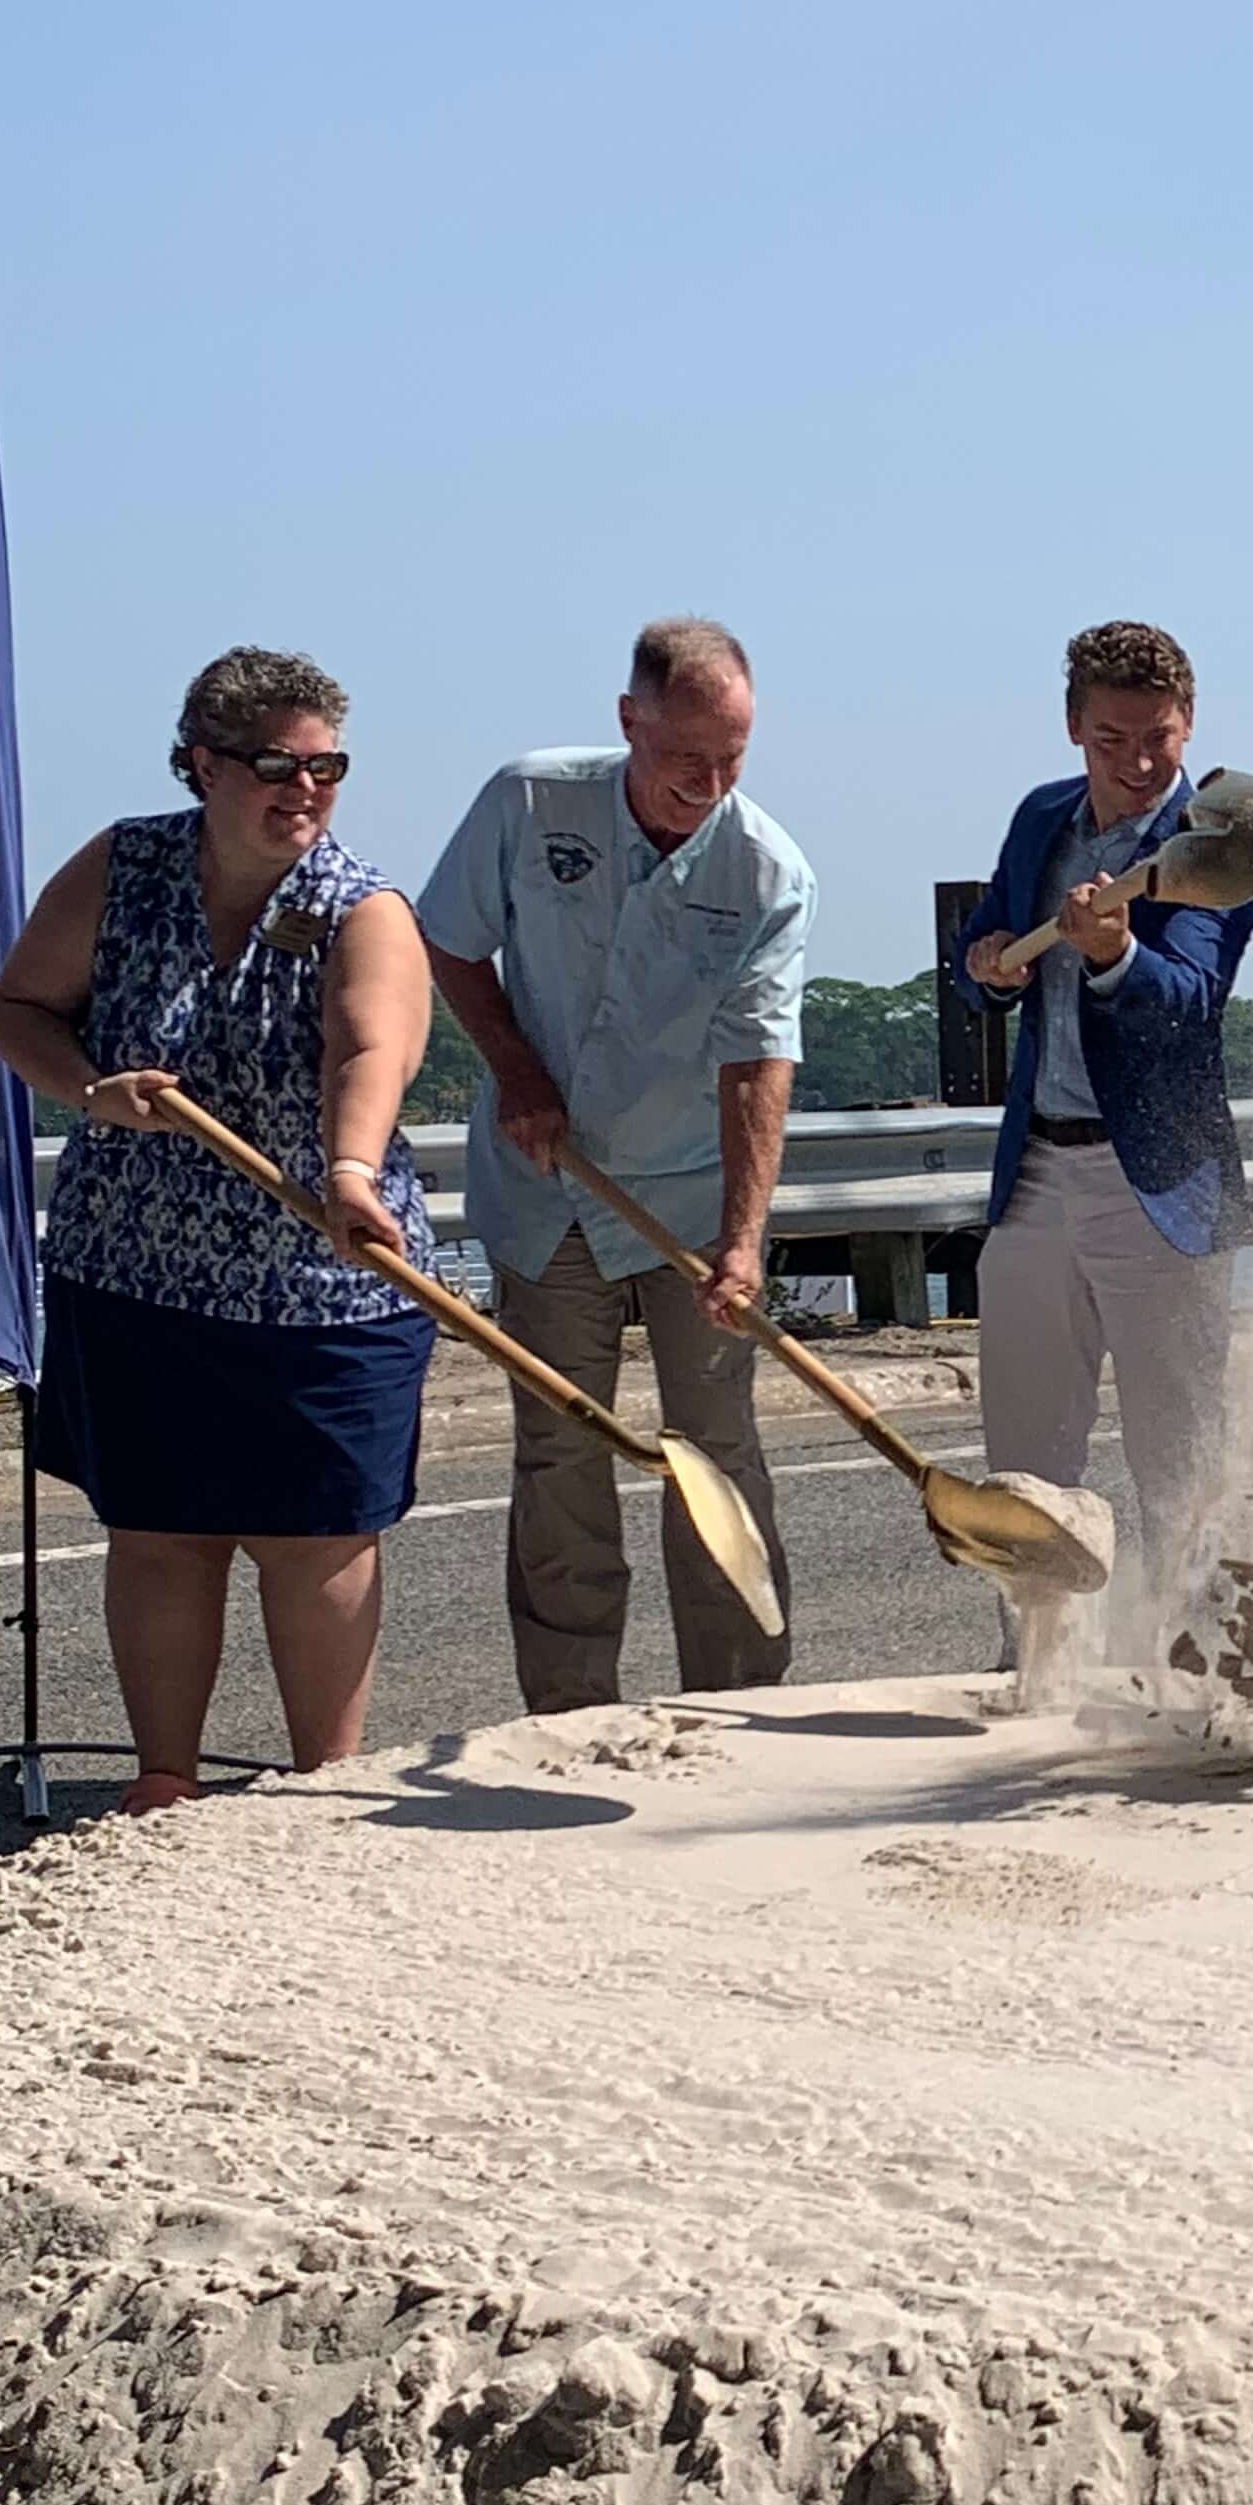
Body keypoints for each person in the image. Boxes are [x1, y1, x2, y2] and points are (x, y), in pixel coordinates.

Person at [0, 646, 439, 1811]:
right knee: (161, 1531)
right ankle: (163, 1778)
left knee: (317, 1535)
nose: (306, 789)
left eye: (327, 766)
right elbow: (19, 1009)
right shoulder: (123, 865)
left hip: (324, 1275)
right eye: (276, 765)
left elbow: (369, 1044)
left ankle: (321, 1784)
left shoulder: (361, 904)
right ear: (201, 762)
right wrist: (91, 1091)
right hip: (134, 1267)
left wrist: (347, 1168)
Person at [418, 618, 813, 1712]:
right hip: (550, 1190)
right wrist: (515, 1071)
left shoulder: (768, 868)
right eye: (689, 756)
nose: (710, 781)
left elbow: (757, 1060)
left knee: (714, 1451)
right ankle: (568, 1709)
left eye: (733, 757)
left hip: (689, 1197)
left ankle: (737, 1705)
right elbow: (447, 936)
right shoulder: (527, 801)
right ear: (629, 720)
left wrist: (741, 1239)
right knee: (560, 1453)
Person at [954, 621, 1253, 1609]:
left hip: (1159, 1183)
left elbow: (1192, 996)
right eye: (1110, 739)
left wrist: (1115, 956)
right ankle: (1035, 1668)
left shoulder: (1218, 841)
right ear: (1073, 727)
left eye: (1158, 738)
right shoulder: (1039, 817)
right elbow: (987, 944)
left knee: (1184, 1462)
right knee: (1027, 1465)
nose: (1136, 761)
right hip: (1039, 1164)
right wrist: (985, 965)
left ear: (1190, 724)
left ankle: (1196, 1673)